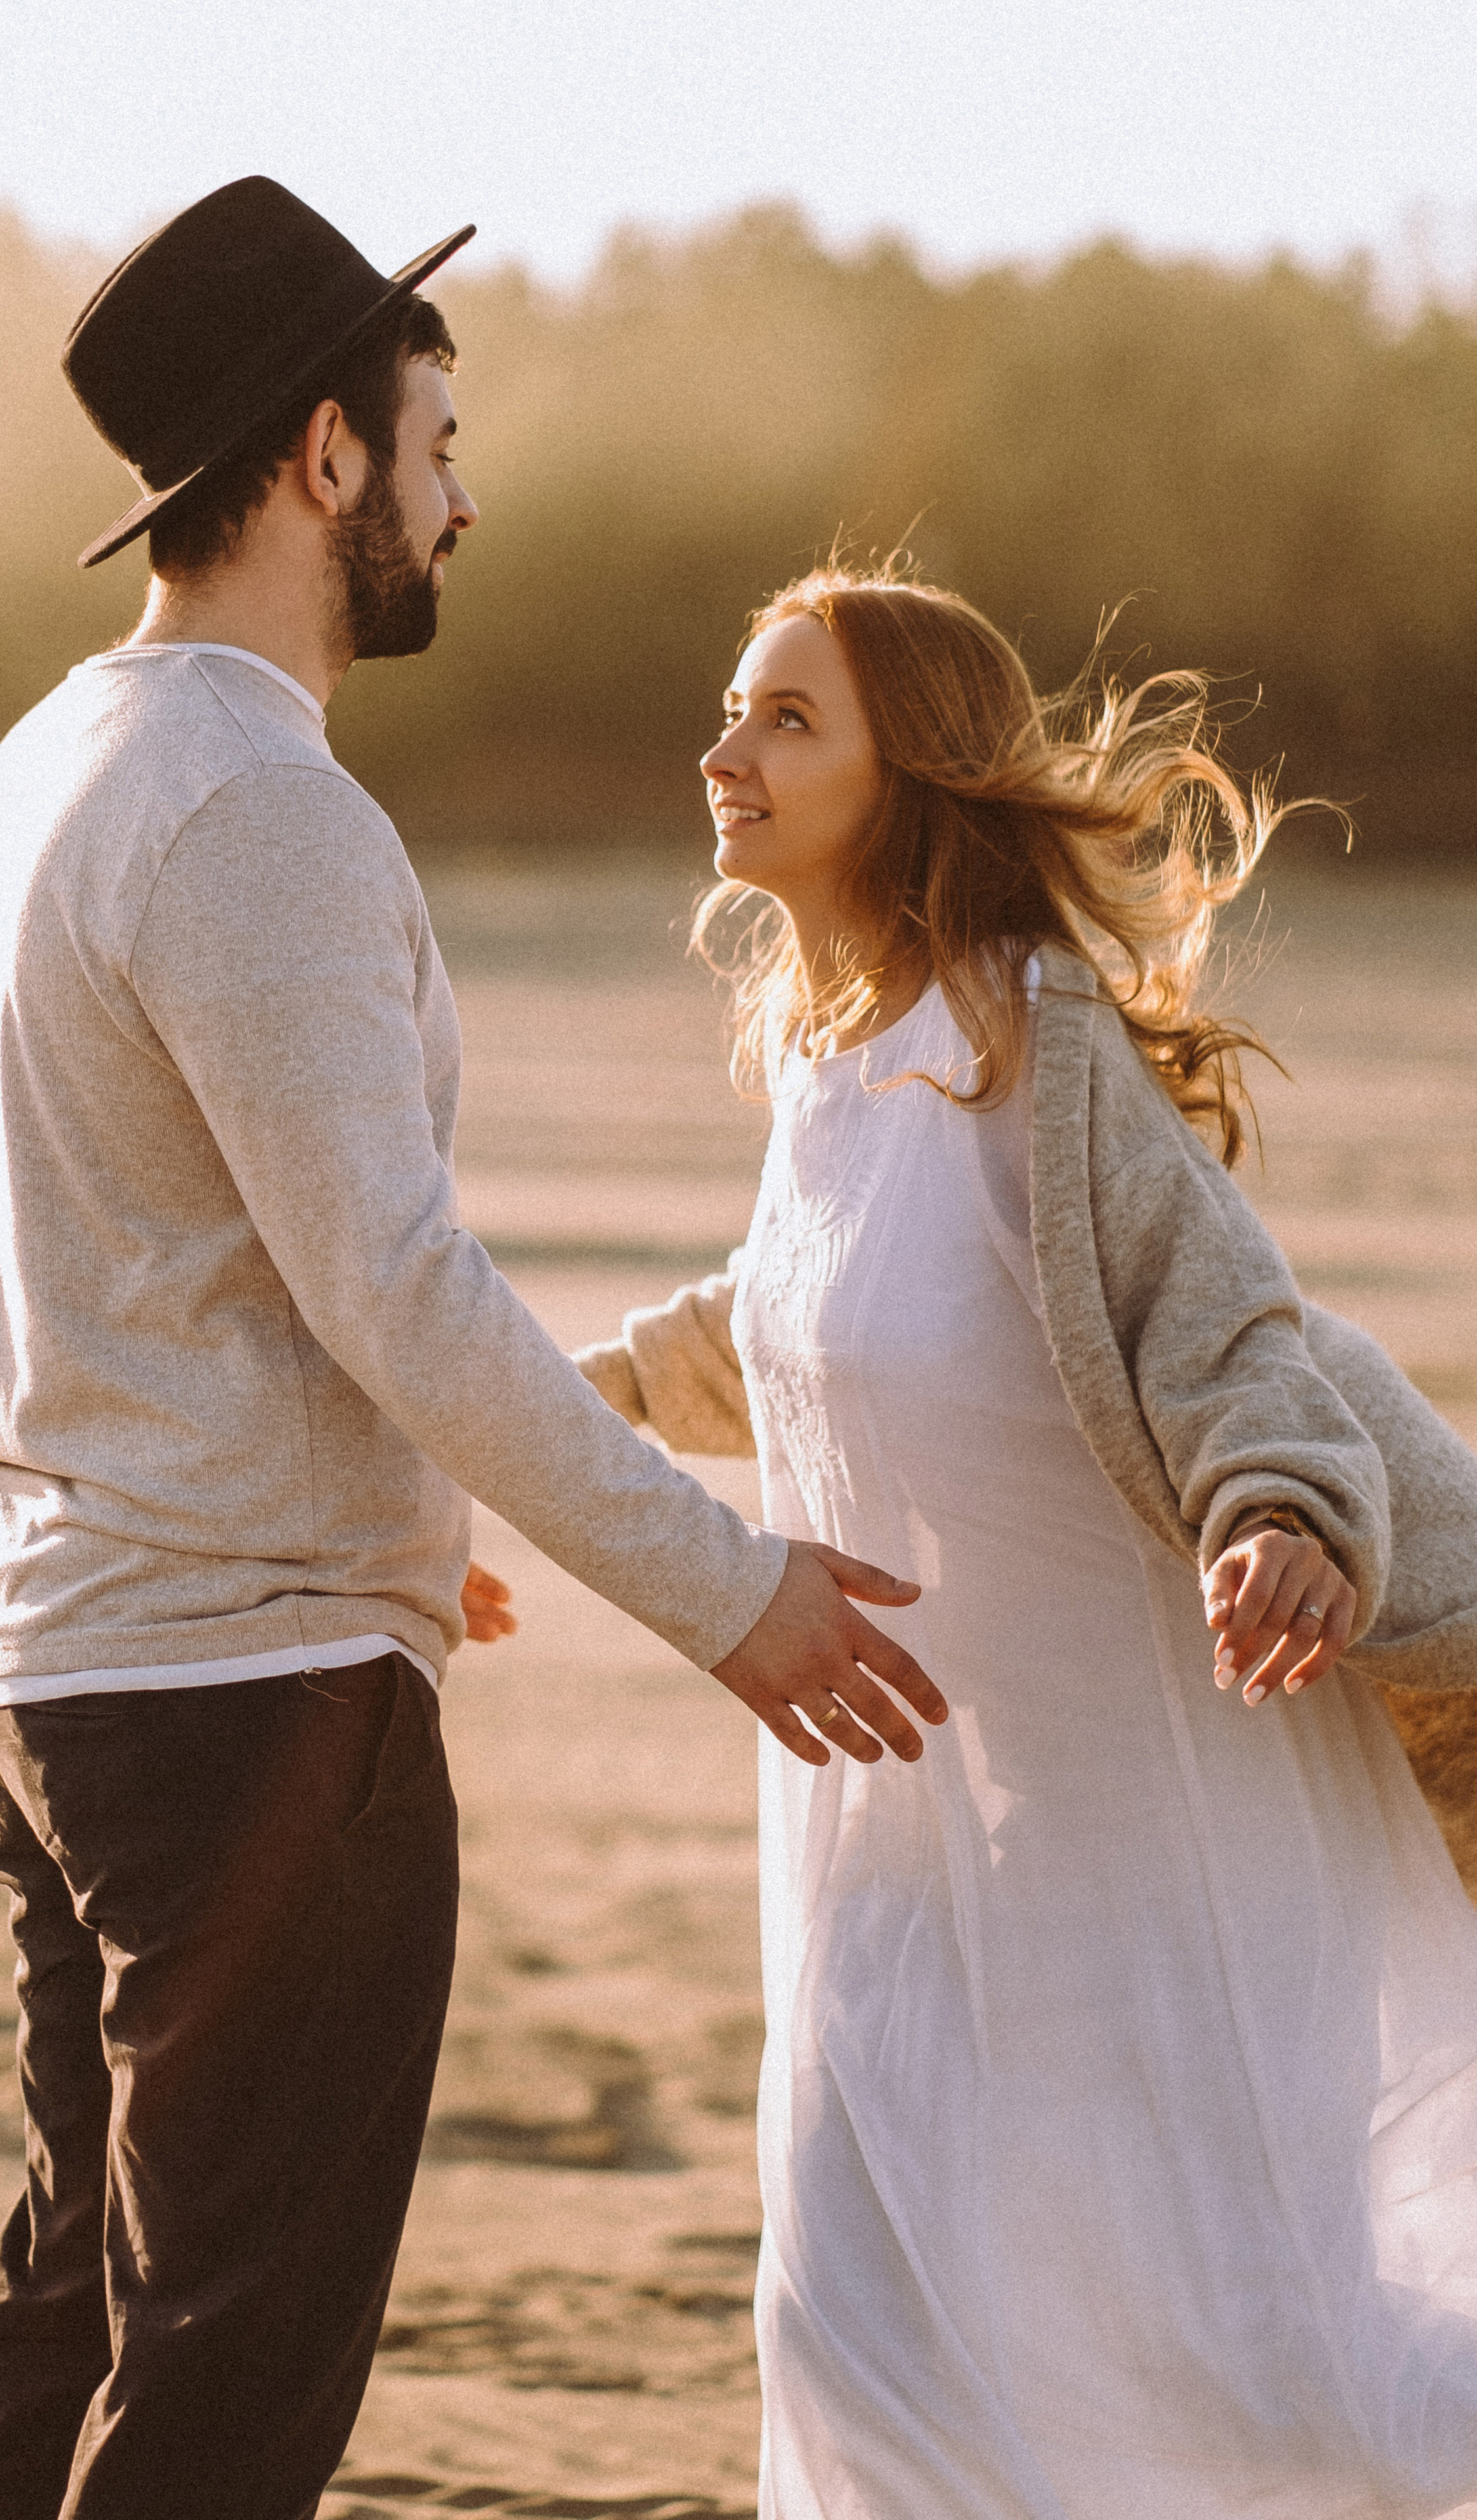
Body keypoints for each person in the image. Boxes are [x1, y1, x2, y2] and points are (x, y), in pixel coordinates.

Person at [0, 188, 948, 2520]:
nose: (464, 496)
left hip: (53, 1674)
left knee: (75, 2318)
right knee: (222, 2392)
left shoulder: (32, 782)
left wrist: (403, 1530)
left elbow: (196, 1279)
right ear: (321, 458)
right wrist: (733, 1593)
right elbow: (393, 1292)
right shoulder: (254, 806)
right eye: (438, 440)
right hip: (242, 1710)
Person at [576, 566, 1477, 2519]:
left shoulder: (1035, 1051)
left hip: (1123, 1837)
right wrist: (556, 1426)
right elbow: (785, 1315)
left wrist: (1284, 1517)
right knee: (860, 2333)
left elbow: (1225, 1322)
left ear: (916, 771)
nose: (726, 751)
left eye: (787, 718)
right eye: (736, 710)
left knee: (1244, 2344)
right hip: (894, 1840)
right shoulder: (827, 1054)